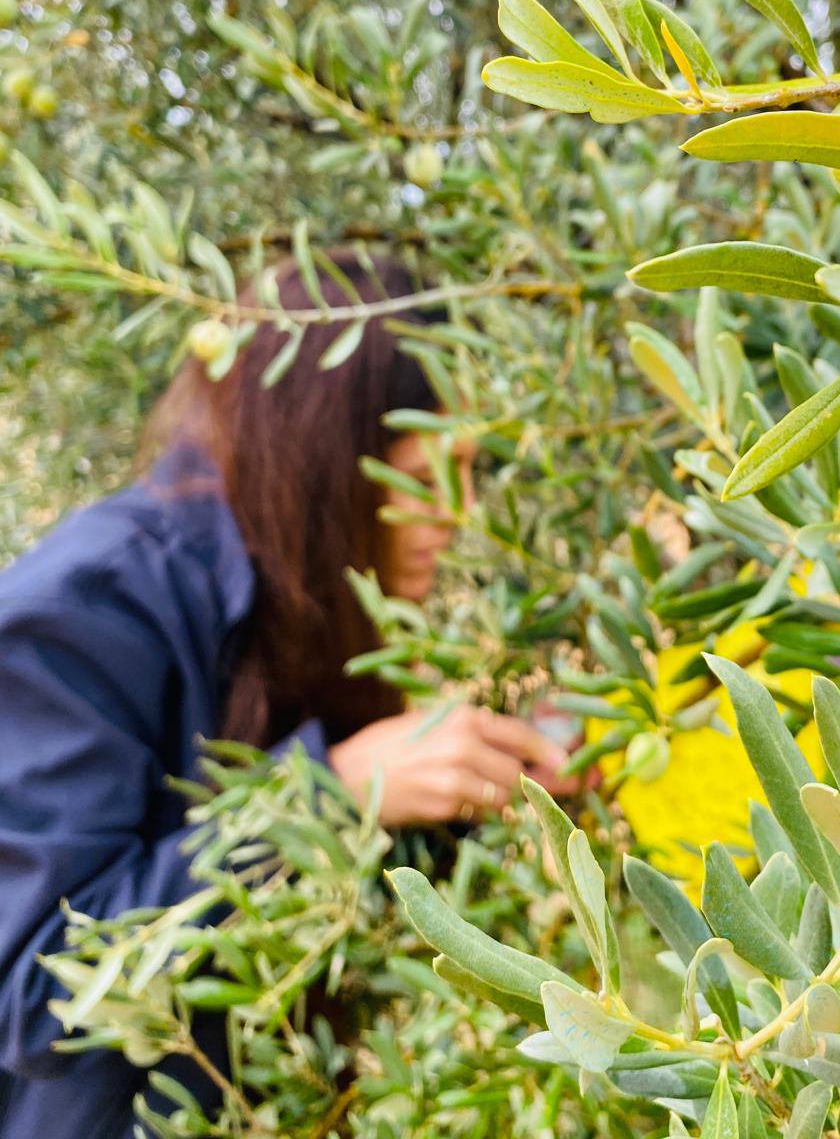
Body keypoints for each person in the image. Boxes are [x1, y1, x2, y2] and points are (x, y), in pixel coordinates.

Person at [0, 250, 576, 1137]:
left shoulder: (313, 591)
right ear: (322, 471)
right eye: (419, 481)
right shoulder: (84, 611)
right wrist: (330, 793)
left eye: (470, 472)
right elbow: (37, 992)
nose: (455, 518)